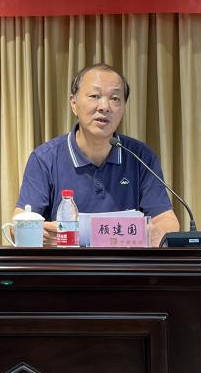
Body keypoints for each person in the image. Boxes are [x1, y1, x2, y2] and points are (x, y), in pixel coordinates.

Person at [14, 63, 181, 246]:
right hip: (66, 263)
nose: (104, 106)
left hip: (125, 264)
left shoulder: (141, 157)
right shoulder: (45, 158)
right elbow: (17, 225)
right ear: (74, 103)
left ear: (124, 107)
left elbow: (167, 223)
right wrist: (41, 234)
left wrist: (151, 232)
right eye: (95, 96)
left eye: (115, 98)